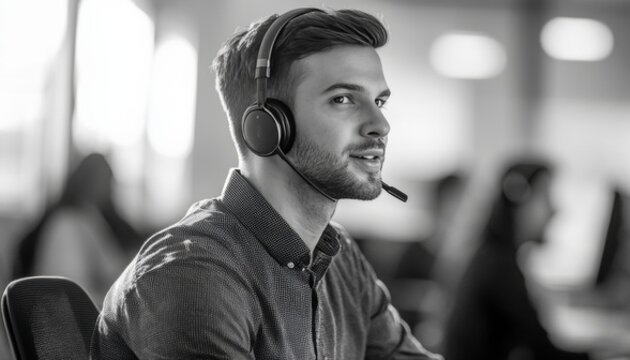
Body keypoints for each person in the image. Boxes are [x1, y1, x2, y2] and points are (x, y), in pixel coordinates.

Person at [90, 8, 440, 359]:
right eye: (343, 99)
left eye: (379, 101)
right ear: (268, 125)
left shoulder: (339, 258)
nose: (381, 125)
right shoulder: (193, 273)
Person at [443, 161, 590, 360]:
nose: (554, 210)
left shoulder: (494, 257)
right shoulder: (499, 268)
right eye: (545, 197)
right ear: (519, 198)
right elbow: (543, 349)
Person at [11, 153, 139, 303]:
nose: (106, 189)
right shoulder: (66, 223)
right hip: (66, 308)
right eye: (103, 182)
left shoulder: (90, 216)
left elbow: (112, 267)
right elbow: (74, 287)